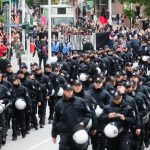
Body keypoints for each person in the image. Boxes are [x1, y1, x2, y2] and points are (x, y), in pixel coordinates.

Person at [51, 84, 91, 150]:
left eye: (71, 90)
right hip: (65, 133)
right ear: (64, 91)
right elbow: (56, 119)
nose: (69, 92)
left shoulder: (81, 101)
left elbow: (88, 114)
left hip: (78, 131)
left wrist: (83, 122)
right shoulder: (59, 104)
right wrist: (54, 135)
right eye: (67, 91)